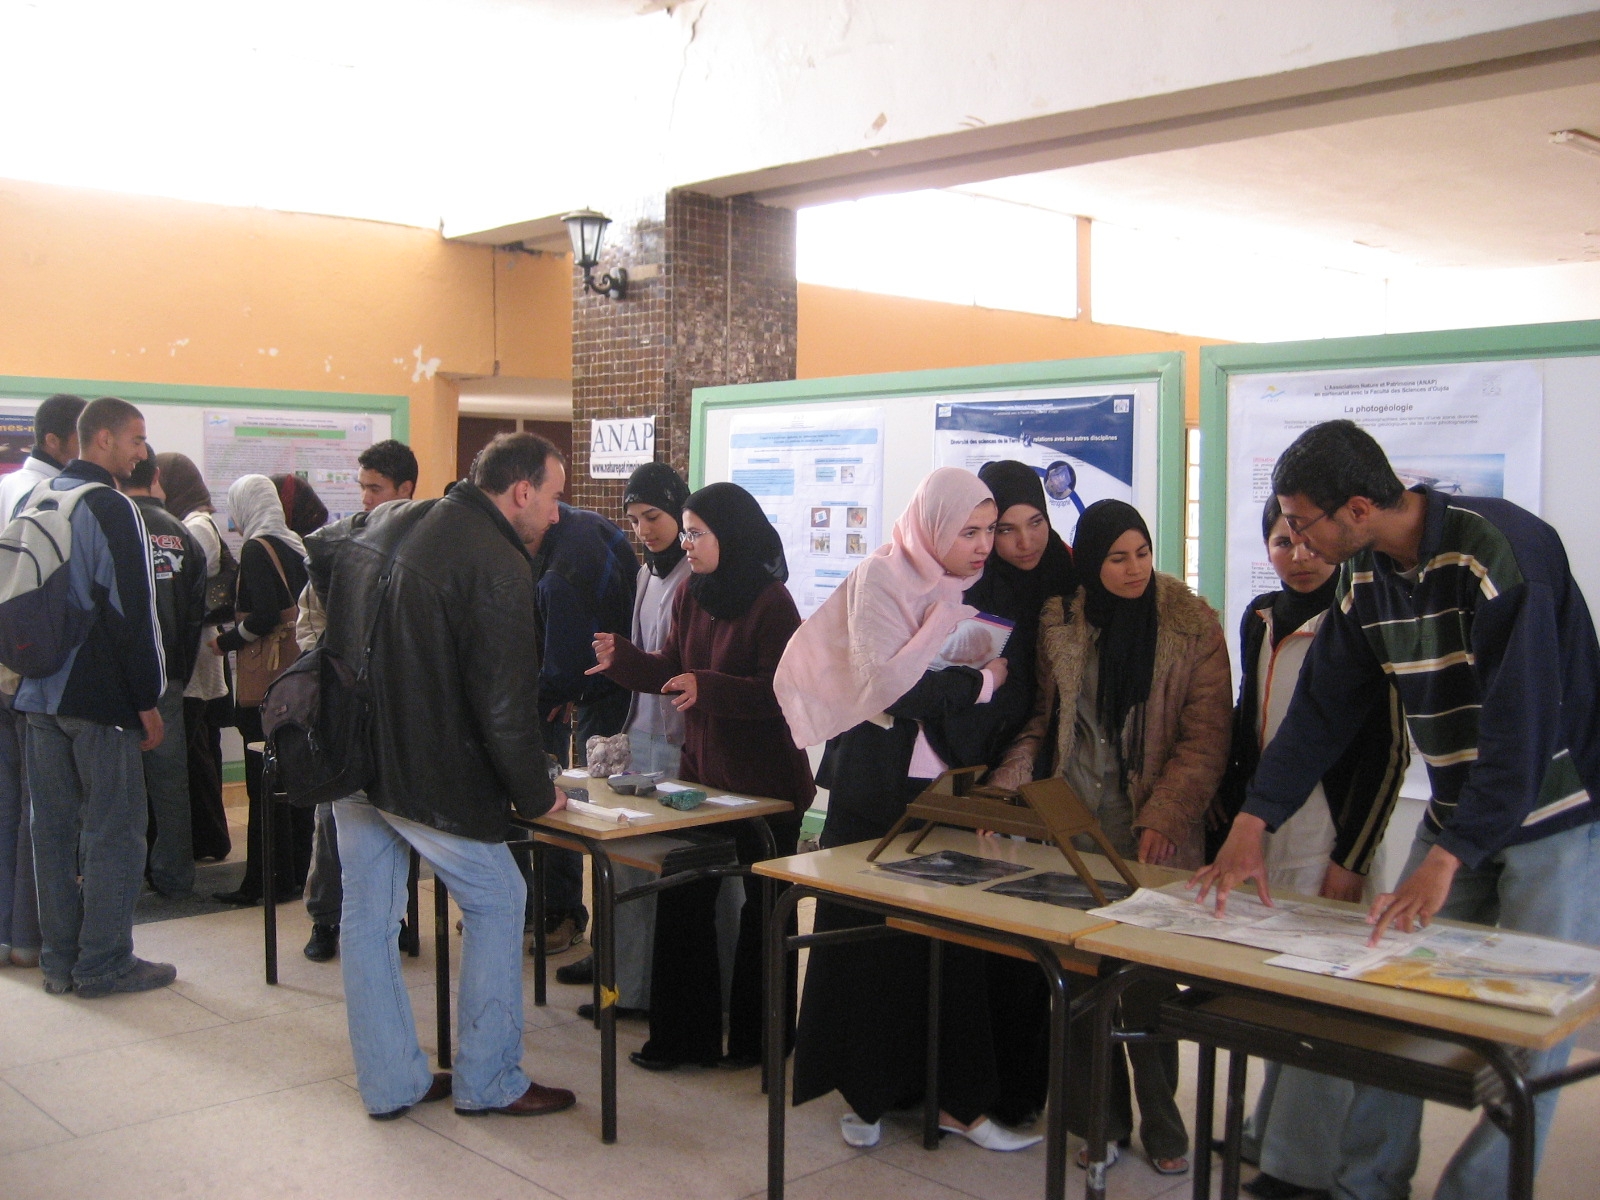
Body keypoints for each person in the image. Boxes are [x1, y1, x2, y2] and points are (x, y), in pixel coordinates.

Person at [1195, 420, 1600, 1200]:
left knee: (1529, 1035)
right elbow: (1321, 710)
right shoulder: (1364, 577)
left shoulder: (1498, 554)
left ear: (1355, 507)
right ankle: (1362, 1184)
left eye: (1303, 523)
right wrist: (1254, 821)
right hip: (1460, 810)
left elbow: (1522, 732)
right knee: (1391, 999)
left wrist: (1445, 862)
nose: (1298, 543)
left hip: (1559, 813)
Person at [781, 467, 1043, 1153]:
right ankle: (866, 1095)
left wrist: (963, 687)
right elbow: (890, 690)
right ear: (932, 526)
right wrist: (977, 683)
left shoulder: (976, 593)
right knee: (865, 944)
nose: (984, 544)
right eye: (970, 529)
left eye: (990, 530)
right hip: (874, 792)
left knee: (949, 947)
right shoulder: (884, 578)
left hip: (944, 790)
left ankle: (961, 1102)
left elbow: (981, 691)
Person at [322, 430, 575, 1119]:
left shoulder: (388, 519)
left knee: (367, 919)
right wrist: (535, 792)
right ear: (521, 491)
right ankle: (489, 1080)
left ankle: (390, 1082)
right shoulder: (496, 562)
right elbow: (505, 706)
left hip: (351, 760)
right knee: (498, 900)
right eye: (554, 498)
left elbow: (323, 568)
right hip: (421, 772)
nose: (557, 515)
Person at [992, 498, 1231, 1175]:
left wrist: (1166, 817)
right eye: (1117, 557)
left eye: (1142, 553)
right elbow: (1043, 723)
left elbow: (1207, 739)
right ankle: (1099, 1123)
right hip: (1072, 830)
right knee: (1075, 984)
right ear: (1092, 562)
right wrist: (1005, 790)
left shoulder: (1190, 625)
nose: (1133, 569)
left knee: (1146, 987)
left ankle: (1163, 1125)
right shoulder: (1062, 622)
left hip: (1150, 835)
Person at [1213, 495, 1408, 1200]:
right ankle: (1272, 1132)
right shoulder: (1259, 616)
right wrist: (1234, 822)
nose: (1297, 556)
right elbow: (1247, 721)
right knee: (1273, 987)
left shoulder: (1365, 616)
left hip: (1333, 828)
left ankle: (1310, 1167)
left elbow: (1388, 747)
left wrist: (1350, 857)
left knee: (1323, 998)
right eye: (1280, 541)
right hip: (1266, 825)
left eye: (1309, 543)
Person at [592, 481, 813, 1071]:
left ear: (730, 535)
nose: (686, 544)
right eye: (686, 532)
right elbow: (672, 668)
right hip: (705, 782)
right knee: (684, 897)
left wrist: (706, 687)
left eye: (696, 532)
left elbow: (781, 692)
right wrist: (625, 660)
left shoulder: (773, 602)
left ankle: (757, 1041)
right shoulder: (693, 593)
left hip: (767, 790)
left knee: (763, 913)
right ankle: (681, 1038)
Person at [17, 396, 175, 997]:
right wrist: (148, 699)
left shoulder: (40, 497)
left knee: (52, 831)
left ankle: (60, 960)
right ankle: (105, 960)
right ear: (103, 440)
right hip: (98, 699)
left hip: (38, 692)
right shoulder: (111, 507)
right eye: (136, 439)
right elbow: (136, 615)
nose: (141, 451)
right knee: (114, 830)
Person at [557, 461, 695, 1016]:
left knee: (667, 879)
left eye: (655, 516)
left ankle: (650, 988)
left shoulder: (694, 580)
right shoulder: (645, 575)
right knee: (627, 870)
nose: (645, 530)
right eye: (635, 520)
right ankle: (627, 988)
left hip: (682, 747)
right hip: (641, 738)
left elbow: (673, 664)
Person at [299, 438, 418, 963]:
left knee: (404, 817)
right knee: (334, 818)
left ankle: (402, 919)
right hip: (345, 707)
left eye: (377, 488)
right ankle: (325, 919)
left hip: (401, 710)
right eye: (363, 487)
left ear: (406, 490)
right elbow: (312, 626)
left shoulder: (422, 550)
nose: (366, 498)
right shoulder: (341, 546)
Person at [526, 499, 638, 951]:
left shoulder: (559, 574)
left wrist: (552, 695)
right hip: (599, 684)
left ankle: (563, 913)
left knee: (564, 800)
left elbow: (565, 665)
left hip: (603, 691)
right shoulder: (576, 524)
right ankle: (543, 908)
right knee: (562, 799)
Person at [0, 393, 85, 971]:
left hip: (4, 668)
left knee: (8, 803)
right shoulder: (51, 497)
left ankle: (8, 934)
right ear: (57, 442)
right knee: (41, 808)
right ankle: (30, 937)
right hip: (30, 671)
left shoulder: (6, 485)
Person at [210, 474, 311, 906]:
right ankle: (294, 872)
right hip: (296, 677)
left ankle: (262, 882)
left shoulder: (255, 548)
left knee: (261, 782)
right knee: (293, 779)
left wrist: (225, 641)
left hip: (264, 682)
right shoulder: (293, 543)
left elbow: (266, 614)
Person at [120, 449, 207, 900]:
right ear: (156, 476)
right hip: (169, 677)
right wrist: (179, 669)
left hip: (118, 683)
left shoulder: (111, 524)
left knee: (119, 786)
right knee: (171, 784)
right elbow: (195, 614)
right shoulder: (180, 533)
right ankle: (175, 877)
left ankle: (124, 879)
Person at [152, 452, 233, 864]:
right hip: (201, 651)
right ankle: (208, 838)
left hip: (198, 653)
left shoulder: (195, 527)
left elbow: (185, 593)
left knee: (195, 752)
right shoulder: (198, 524)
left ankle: (208, 838)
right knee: (200, 748)